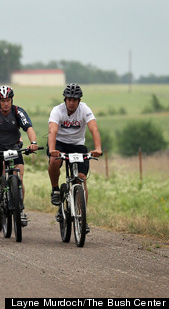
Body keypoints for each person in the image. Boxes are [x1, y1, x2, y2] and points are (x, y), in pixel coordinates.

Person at [0, 86, 39, 226]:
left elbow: (28, 128)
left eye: (8, 100)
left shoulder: (18, 111)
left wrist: (33, 143)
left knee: (18, 179)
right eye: (3, 100)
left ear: (12, 100)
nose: (6, 103)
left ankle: (21, 210)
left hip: (14, 146)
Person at [48, 83, 102, 234]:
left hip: (77, 145)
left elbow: (94, 128)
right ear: (65, 99)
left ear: (79, 101)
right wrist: (52, 150)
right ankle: (55, 190)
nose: (72, 102)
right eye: (69, 99)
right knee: (54, 161)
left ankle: (82, 217)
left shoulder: (85, 109)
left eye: (75, 100)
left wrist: (98, 149)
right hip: (59, 143)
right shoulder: (57, 110)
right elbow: (52, 130)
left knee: (81, 178)